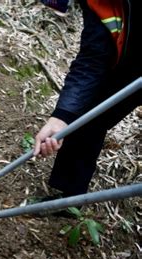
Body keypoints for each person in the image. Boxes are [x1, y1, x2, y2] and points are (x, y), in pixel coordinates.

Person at [34, 0, 141, 197]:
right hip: (129, 64)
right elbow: (92, 60)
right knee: (89, 116)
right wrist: (61, 117)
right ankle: (67, 196)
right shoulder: (99, 3)